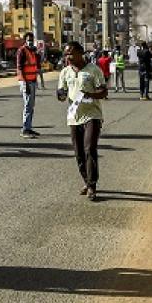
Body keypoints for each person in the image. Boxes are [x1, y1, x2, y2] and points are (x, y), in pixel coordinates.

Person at [56, 41, 107, 200]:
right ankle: (86, 180)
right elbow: (61, 93)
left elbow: (103, 91)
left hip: (92, 115)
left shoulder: (93, 70)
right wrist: (61, 95)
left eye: (71, 53)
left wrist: (90, 94)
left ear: (80, 53)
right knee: (79, 154)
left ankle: (92, 185)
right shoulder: (65, 72)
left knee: (89, 149)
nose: (68, 57)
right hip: (74, 117)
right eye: (66, 54)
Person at [16, 32, 43, 137]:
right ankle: (25, 129)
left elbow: (37, 66)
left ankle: (29, 127)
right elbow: (20, 68)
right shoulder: (22, 51)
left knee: (31, 106)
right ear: (25, 41)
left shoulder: (33, 52)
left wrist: (37, 53)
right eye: (28, 40)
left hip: (32, 81)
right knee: (28, 105)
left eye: (31, 40)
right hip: (25, 82)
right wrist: (26, 83)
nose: (30, 42)